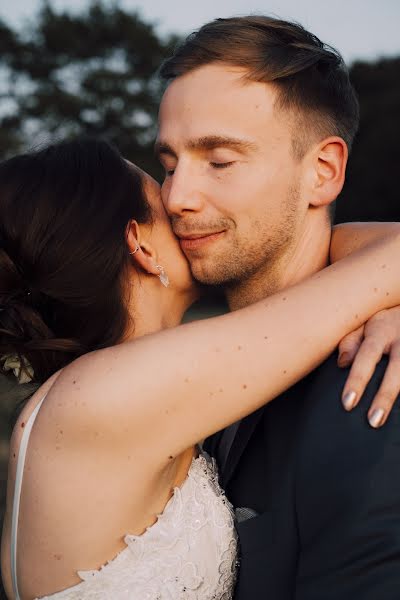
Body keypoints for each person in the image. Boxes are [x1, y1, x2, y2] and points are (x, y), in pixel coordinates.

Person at [0, 141, 400, 600]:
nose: (184, 206)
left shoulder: (104, 393)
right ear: (140, 245)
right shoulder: (108, 393)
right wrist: (381, 297)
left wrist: (384, 304)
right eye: (164, 202)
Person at [157, 15, 400, 599]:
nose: (176, 198)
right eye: (168, 165)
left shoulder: (375, 381)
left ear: (323, 172)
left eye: (219, 161)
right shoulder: (193, 369)